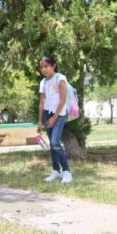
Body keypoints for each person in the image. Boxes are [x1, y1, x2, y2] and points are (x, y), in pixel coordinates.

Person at [36, 55, 72, 184]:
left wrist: (54, 117)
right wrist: (40, 121)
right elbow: (42, 102)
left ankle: (67, 171)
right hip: (47, 115)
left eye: (46, 66)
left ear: (53, 66)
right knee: (52, 145)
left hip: (59, 115)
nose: (44, 69)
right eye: (41, 67)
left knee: (55, 143)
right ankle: (56, 171)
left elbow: (62, 100)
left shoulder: (60, 78)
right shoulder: (43, 82)